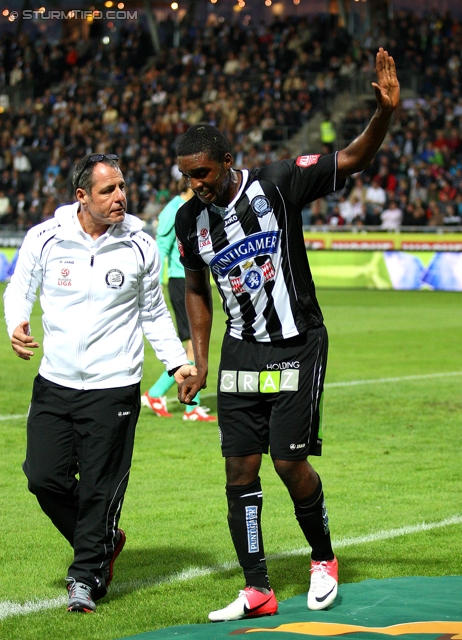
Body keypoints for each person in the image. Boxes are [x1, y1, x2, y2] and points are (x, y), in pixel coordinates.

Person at [175, 48, 400, 622]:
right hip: (240, 351)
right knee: (238, 469)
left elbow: (350, 158)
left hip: (299, 341)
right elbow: (196, 290)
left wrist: (383, 115)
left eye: (202, 172)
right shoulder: (187, 220)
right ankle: (257, 589)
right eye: (186, 175)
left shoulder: (276, 183)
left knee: (286, 462)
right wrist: (198, 359)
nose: (195, 184)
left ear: (227, 161)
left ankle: (322, 558)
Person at [3, 153, 195, 614]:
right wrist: (16, 322)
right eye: (108, 190)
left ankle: (85, 577)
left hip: (115, 385)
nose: (120, 197)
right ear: (81, 196)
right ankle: (106, 538)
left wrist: (178, 365)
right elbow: (19, 288)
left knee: (99, 487)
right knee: (42, 477)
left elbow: (153, 313)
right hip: (56, 382)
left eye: (122, 187)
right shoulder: (44, 238)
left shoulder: (140, 245)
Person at [141, 178, 216, 422]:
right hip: (179, 280)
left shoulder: (197, 207)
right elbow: (160, 247)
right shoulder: (173, 211)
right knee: (193, 346)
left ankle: (158, 395)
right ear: (187, 185)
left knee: (192, 346)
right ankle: (188, 407)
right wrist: (155, 283)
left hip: (192, 279)